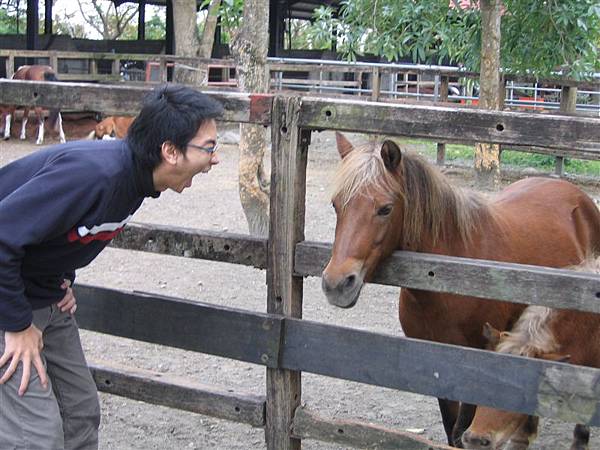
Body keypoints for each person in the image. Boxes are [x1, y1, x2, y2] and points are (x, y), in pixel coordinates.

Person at [0, 84, 223, 449]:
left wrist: (60, 277)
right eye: (209, 148)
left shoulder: (136, 181)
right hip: (8, 302)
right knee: (35, 435)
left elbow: (62, 230)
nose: (215, 159)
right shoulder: (94, 175)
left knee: (80, 412)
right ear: (170, 151)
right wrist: (17, 325)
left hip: (42, 292)